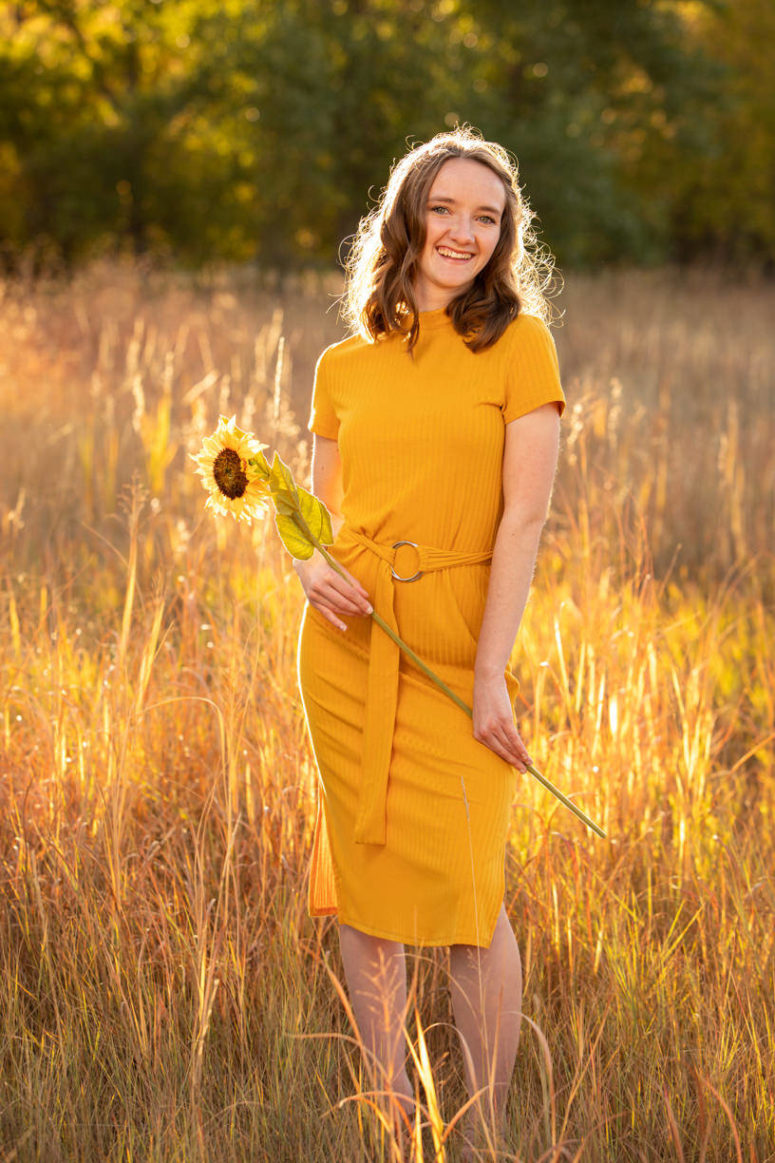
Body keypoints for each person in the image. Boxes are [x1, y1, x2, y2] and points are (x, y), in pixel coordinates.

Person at [293, 125, 565, 1156]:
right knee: (364, 887)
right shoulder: (341, 363)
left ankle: (484, 1135)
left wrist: (491, 671)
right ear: (407, 216)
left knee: (464, 894)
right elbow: (320, 516)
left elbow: (523, 519)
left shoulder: (520, 344)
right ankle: (389, 1123)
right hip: (346, 647)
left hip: (455, 639)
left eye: (485, 218)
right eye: (445, 209)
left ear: (504, 237)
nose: (463, 232)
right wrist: (304, 562)